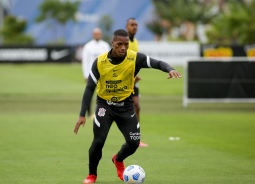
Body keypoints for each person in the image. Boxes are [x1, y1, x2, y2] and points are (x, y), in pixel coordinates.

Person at [74, 29, 182, 184]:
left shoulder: (135, 58)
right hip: (105, 106)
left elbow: (157, 63)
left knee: (133, 142)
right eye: (119, 44)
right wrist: (82, 114)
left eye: (126, 44)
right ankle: (92, 175)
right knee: (98, 142)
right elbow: (90, 88)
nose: (123, 47)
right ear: (112, 44)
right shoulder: (99, 62)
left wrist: (170, 69)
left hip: (126, 107)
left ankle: (118, 159)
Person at [126, 17, 147, 147]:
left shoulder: (136, 42)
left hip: (133, 80)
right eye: (132, 25)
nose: (135, 27)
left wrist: (135, 74)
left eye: (136, 25)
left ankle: (136, 138)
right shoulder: (124, 41)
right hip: (124, 81)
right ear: (126, 26)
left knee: (136, 106)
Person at [81, 27, 110, 117]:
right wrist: (86, 74)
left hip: (103, 74)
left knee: (103, 94)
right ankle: (89, 113)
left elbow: (109, 60)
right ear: (93, 35)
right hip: (91, 74)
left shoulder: (105, 46)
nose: (97, 35)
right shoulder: (88, 46)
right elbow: (85, 61)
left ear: (100, 35)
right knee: (89, 94)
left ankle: (102, 113)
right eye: (95, 34)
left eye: (98, 34)